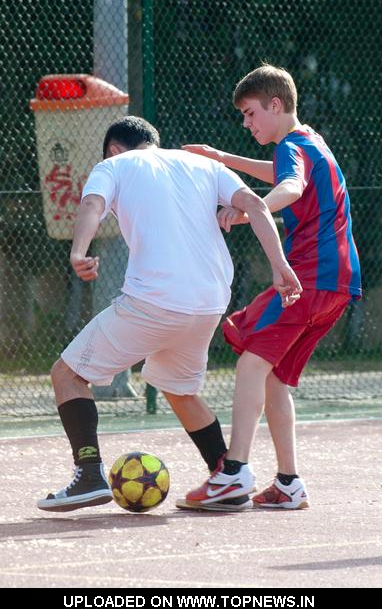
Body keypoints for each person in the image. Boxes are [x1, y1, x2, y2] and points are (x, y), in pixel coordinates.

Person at [37, 115, 302, 513]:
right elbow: (254, 205)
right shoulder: (204, 165)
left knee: (68, 374)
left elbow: (92, 203)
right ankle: (226, 474)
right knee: (179, 389)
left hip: (155, 300)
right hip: (210, 301)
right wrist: (279, 265)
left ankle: (89, 473)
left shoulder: (113, 166)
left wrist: (78, 251)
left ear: (114, 148)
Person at [179, 62, 362, 511]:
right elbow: (285, 174)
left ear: (275, 105)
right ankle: (288, 483)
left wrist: (250, 210)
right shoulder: (311, 141)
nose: (246, 122)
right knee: (274, 375)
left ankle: (234, 471)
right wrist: (222, 159)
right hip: (338, 284)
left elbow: (291, 186)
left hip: (309, 277)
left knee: (250, 359)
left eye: (250, 113)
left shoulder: (291, 148)